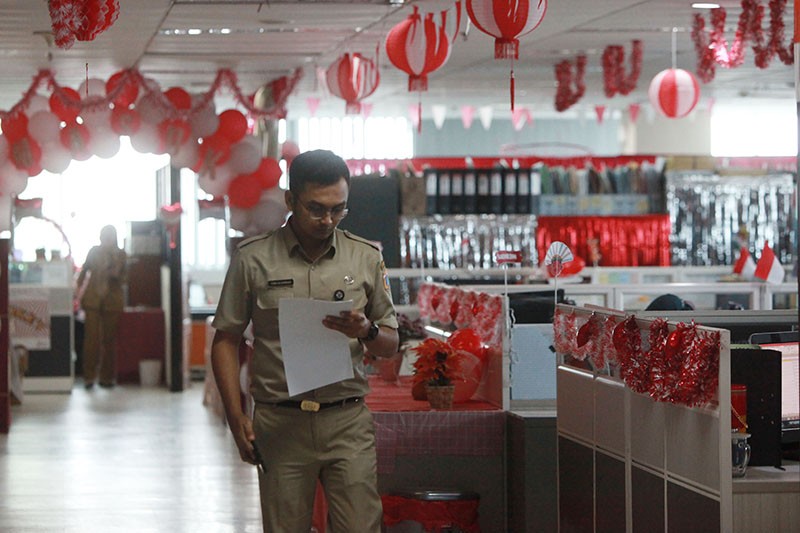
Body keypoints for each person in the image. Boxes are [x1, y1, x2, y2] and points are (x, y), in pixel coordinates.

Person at [211, 149, 399, 532]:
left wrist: (367, 331)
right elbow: (226, 340)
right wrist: (235, 416)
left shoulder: (365, 258)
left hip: (346, 421)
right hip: (281, 424)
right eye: (315, 208)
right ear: (290, 200)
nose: (327, 219)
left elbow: (391, 343)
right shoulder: (253, 259)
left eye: (338, 209)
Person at [76, 225, 127, 389]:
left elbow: (124, 279)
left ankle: (107, 377)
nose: (107, 238)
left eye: (110, 235)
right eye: (104, 235)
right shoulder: (93, 252)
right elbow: (84, 271)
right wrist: (76, 290)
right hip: (92, 300)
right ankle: (89, 377)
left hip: (112, 301)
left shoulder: (121, 254)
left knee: (109, 341)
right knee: (91, 340)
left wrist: (116, 270)